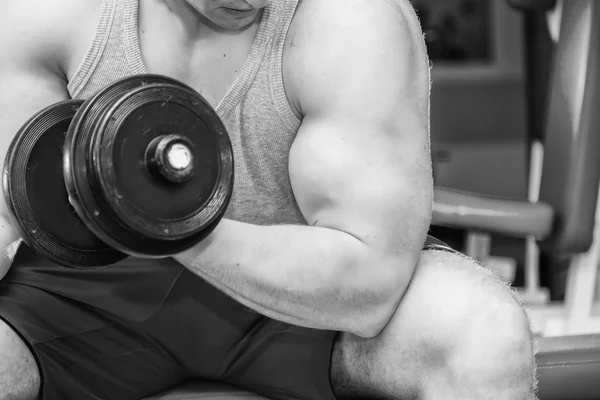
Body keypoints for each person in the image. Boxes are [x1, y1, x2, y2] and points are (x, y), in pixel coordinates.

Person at [0, 0, 537, 399]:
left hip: (297, 297)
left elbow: (369, 284)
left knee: (482, 330)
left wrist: (158, 220)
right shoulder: (48, 12)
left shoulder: (352, 25)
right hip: (82, 301)